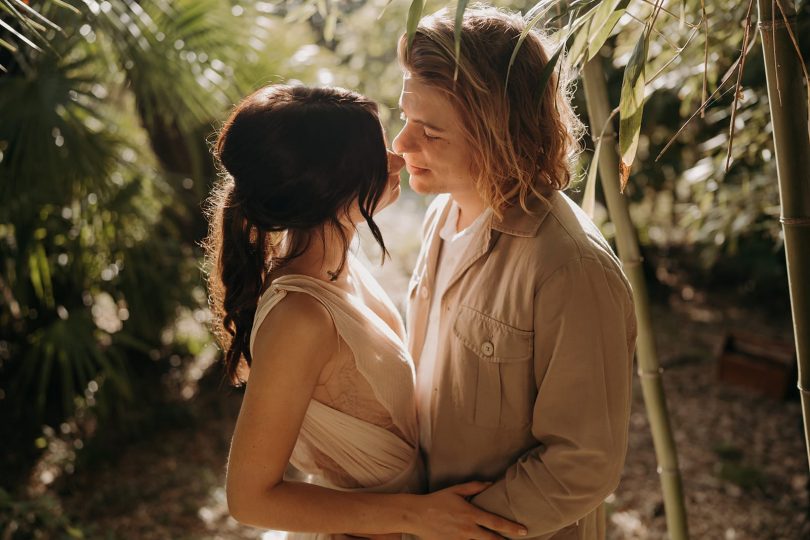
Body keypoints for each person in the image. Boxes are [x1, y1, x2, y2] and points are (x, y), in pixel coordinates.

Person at [204, 84, 526, 540]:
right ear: (331, 185)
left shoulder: (339, 265)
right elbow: (250, 498)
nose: (396, 158)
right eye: (376, 157)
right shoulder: (299, 319)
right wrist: (416, 515)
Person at [392, 5, 637, 540]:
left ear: (498, 133)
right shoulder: (444, 209)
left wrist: (450, 528)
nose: (402, 144)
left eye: (430, 132)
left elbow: (583, 462)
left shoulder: (570, 268)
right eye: (405, 117)